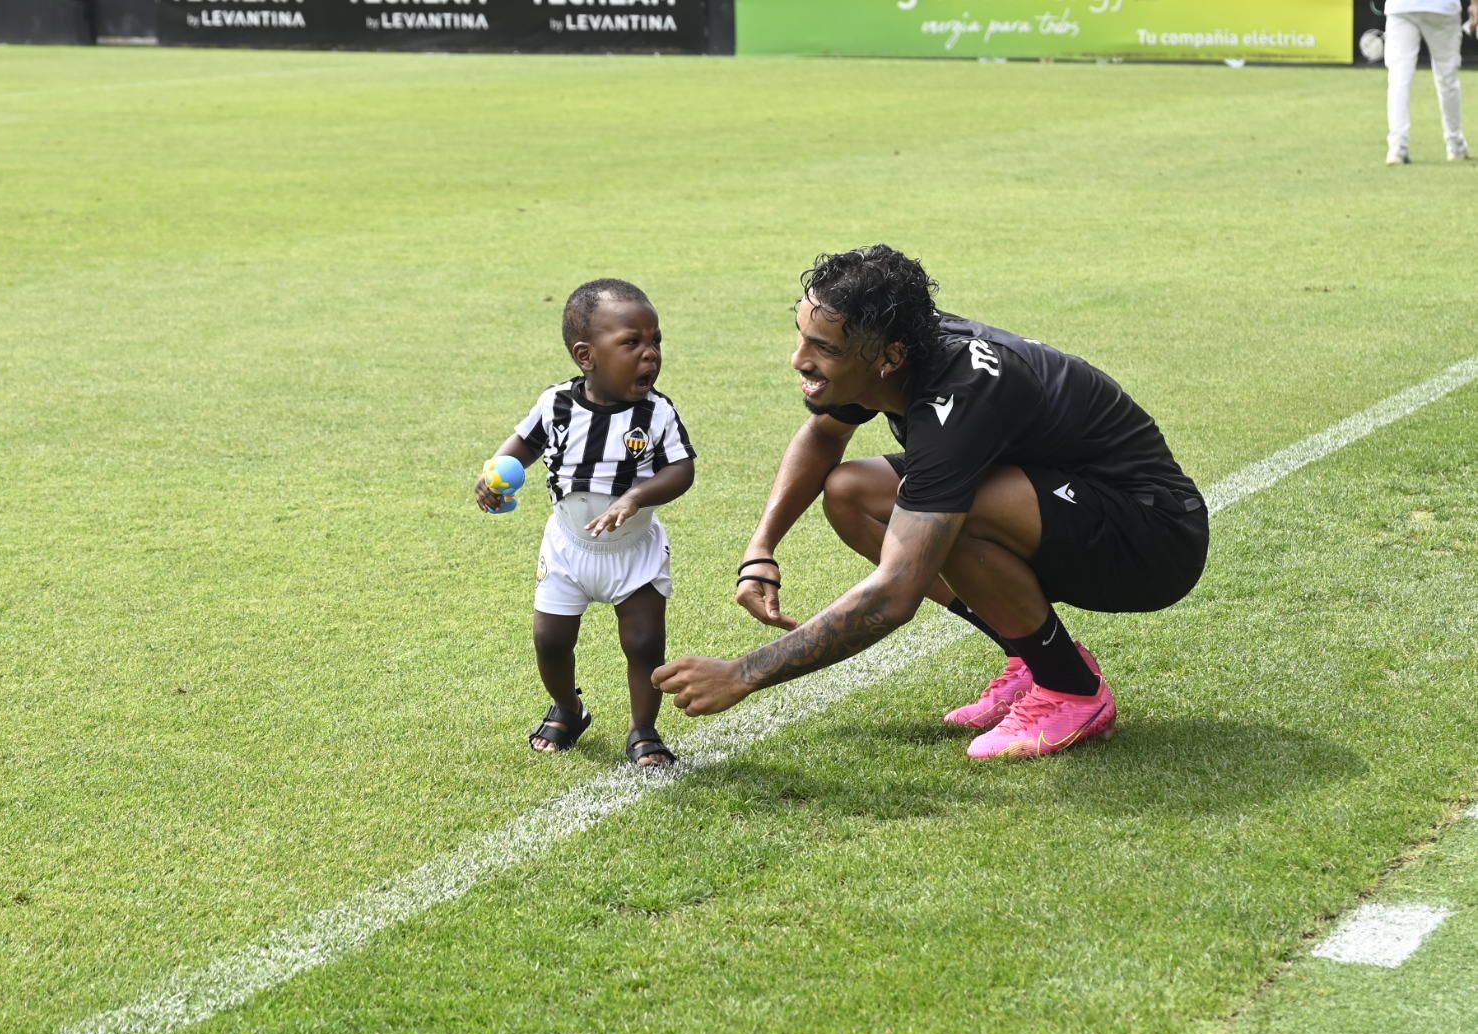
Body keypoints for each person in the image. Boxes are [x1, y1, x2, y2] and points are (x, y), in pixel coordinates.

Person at [652, 246, 1208, 761]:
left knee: (947, 514)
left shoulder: (959, 393)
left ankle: (1072, 689)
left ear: (888, 357)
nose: (799, 360)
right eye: (801, 337)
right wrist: (761, 548)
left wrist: (743, 673)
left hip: (1152, 539)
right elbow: (823, 438)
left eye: (824, 348)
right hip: (1072, 501)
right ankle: (1035, 661)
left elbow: (894, 593)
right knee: (850, 493)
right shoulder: (896, 345)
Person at [476, 279, 695, 768]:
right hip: (567, 548)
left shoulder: (656, 412)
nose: (650, 354)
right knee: (550, 640)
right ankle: (569, 709)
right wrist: (494, 475)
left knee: (643, 644)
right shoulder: (556, 404)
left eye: (656, 341)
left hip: (632, 552)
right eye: (632, 343)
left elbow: (682, 470)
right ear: (586, 355)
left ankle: (644, 732)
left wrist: (636, 497)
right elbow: (523, 445)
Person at [1384, 0, 1471, 165]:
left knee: (1398, 78)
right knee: (1447, 78)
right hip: (1442, 8)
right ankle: (1455, 144)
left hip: (1401, 6)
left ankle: (1397, 147)